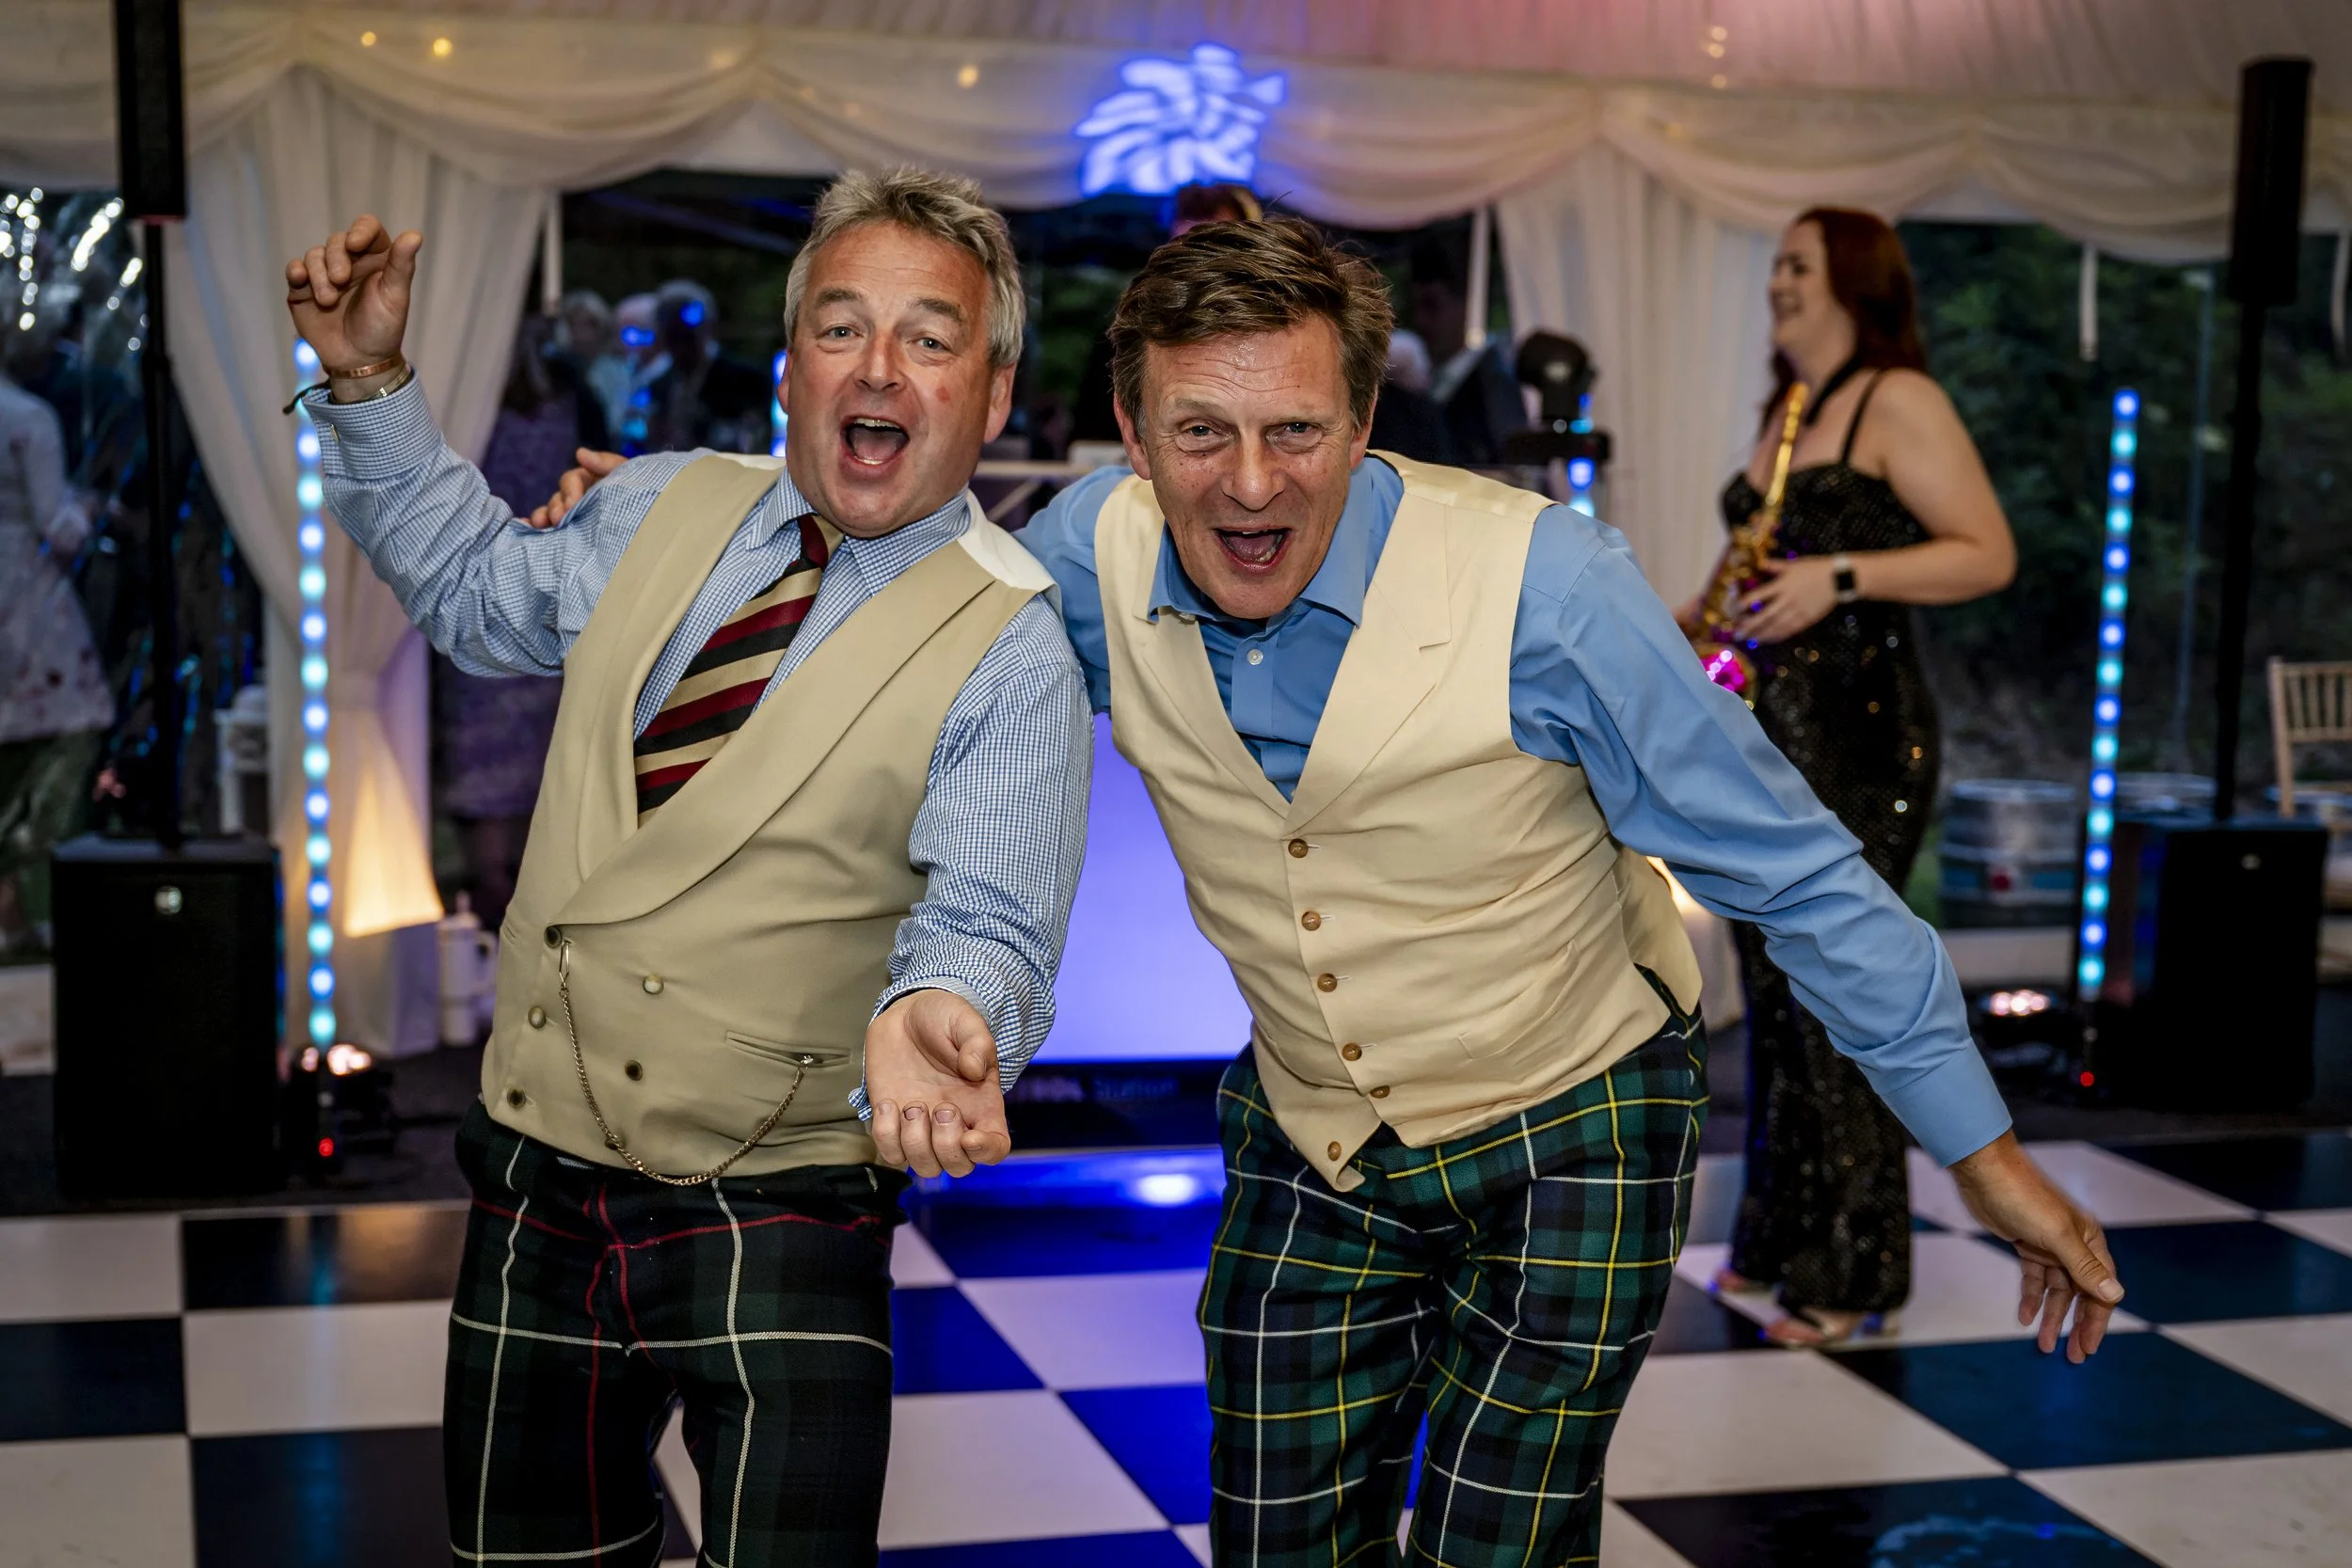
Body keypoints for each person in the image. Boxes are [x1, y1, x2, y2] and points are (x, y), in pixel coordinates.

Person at [548, 216, 2122, 1566]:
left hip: (1574, 1114)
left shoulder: (1547, 590)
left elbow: (1798, 871)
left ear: (1368, 417)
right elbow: (890, 633)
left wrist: (1981, 1156)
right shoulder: (1085, 556)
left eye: (1297, 430)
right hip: (1314, 1131)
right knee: (1274, 1532)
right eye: (1199, 434)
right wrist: (691, 528)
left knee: (1494, 1538)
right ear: (1128, 423)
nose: (1247, 485)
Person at [283, 167, 1089, 1567]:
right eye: (839, 327)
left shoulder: (1013, 642)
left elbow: (989, 914)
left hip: (784, 1200)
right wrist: (369, 382)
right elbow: (481, 594)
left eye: (931, 337)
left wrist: (947, 1015)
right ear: (790, 364)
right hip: (536, 1174)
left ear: (997, 389)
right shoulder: (658, 502)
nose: (878, 366)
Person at [1702, 207, 2019, 1346]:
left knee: (1845, 997)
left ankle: (1855, 1268)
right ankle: (1782, 1237)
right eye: (1778, 265)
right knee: (1780, 998)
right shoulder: (1790, 409)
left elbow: (1987, 552)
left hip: (1863, 735)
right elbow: (1743, 572)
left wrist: (1838, 573)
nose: (1778, 283)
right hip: (1768, 735)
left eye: (1797, 264)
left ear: (1853, 278)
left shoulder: (1898, 399)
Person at [432, 313, 601, 928]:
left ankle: (497, 914)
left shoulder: (470, 392)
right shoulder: (559, 390)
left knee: (513, 777)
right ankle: (505, 919)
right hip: (529, 596)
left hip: (521, 597)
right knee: (514, 777)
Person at [0, 372, 110, 956]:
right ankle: (43, 902)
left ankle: (12, 906)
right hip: (26, 606)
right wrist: (89, 508)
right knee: (69, 739)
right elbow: (57, 524)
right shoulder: (27, 417)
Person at [1071, 182, 1264, 447]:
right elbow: (1092, 436)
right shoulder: (1129, 332)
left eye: (1215, 250)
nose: (1198, 266)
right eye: (1184, 250)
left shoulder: (1272, 331)